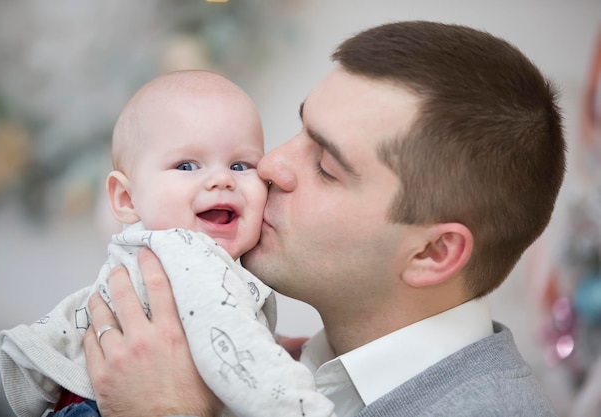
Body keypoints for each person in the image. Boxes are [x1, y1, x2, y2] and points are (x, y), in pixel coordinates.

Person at [83, 20, 566, 417]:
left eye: (326, 167)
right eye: (301, 129)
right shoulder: (285, 365)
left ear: (431, 253)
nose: (269, 166)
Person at [0, 70, 335, 417]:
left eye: (240, 164)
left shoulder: (166, 258)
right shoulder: (188, 252)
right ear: (127, 199)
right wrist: (300, 404)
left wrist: (271, 344)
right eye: (186, 165)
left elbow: (205, 331)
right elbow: (230, 349)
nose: (221, 179)